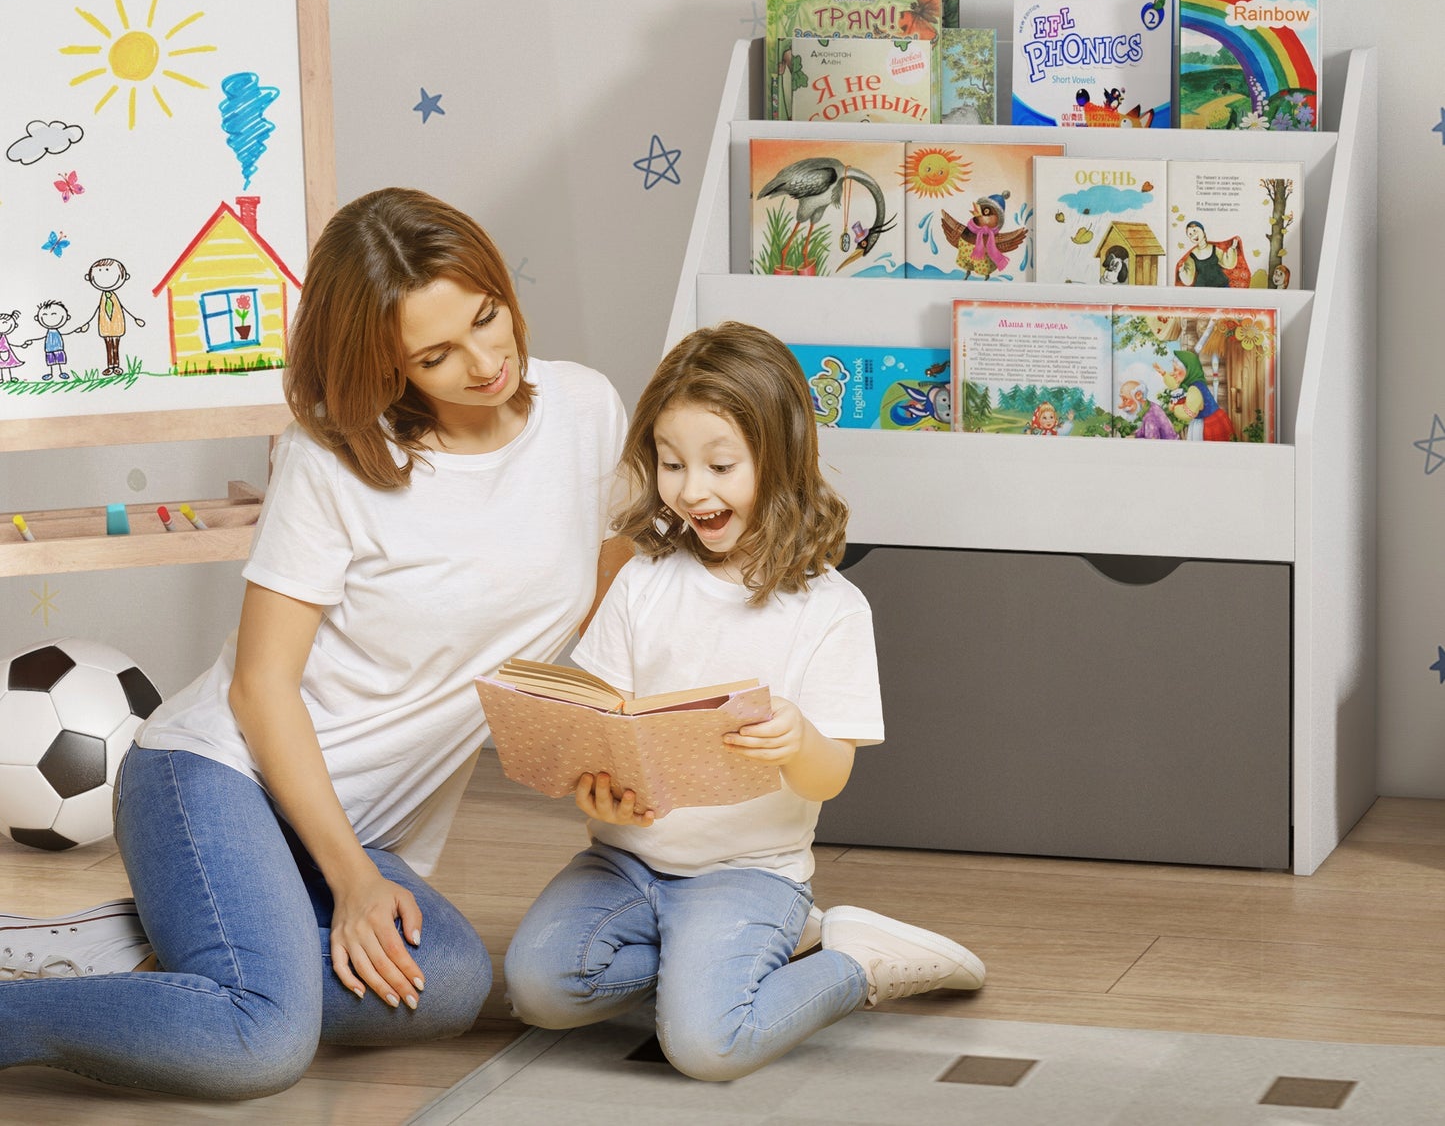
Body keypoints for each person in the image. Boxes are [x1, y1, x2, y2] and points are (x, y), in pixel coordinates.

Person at [0, 188, 628, 1099]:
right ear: (386, 361)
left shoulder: (585, 408)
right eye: (435, 354)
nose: (486, 361)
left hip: (355, 827)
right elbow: (260, 690)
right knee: (260, 1039)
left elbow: (603, 606)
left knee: (448, 982)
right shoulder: (334, 458)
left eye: (487, 316)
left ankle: (133, 947)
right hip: (217, 775)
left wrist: (608, 746)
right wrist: (351, 880)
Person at [504, 321, 984, 1083]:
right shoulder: (643, 580)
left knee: (706, 1045)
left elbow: (830, 778)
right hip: (624, 862)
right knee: (537, 991)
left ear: (780, 458)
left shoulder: (829, 608)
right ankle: (721, 957)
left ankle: (854, 958)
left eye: (720, 464)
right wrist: (592, 782)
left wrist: (798, 740)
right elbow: (602, 719)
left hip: (749, 870)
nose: (692, 489)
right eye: (670, 463)